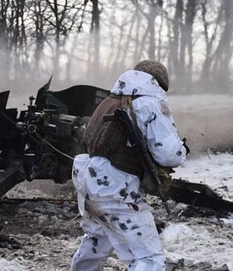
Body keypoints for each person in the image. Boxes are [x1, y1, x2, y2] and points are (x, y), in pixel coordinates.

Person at [70, 60, 188, 271]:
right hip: (118, 189)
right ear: (157, 83)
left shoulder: (109, 100)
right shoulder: (150, 104)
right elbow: (170, 155)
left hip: (89, 182)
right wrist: (183, 150)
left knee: (98, 240)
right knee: (150, 259)